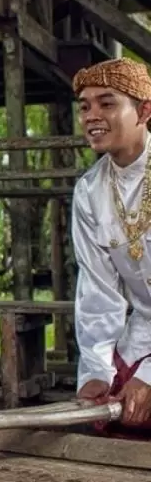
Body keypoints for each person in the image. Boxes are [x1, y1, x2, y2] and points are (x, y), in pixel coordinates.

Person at [71, 57, 151, 435]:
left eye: (107, 103)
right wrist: (96, 371)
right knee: (110, 412)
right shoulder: (89, 191)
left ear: (144, 110)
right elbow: (97, 292)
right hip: (143, 333)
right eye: (84, 106)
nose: (92, 115)